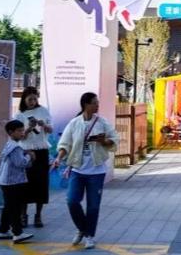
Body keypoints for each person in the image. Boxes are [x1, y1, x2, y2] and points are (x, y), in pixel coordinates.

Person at [52, 93, 118, 249]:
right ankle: (83, 228)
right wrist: (58, 158)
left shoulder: (102, 122)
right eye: (94, 103)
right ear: (85, 105)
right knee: (72, 201)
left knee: (93, 206)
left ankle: (89, 236)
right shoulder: (74, 123)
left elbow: (114, 139)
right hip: (78, 170)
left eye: (97, 102)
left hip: (97, 171)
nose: (97, 105)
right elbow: (65, 143)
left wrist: (103, 140)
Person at [15, 87, 53, 228]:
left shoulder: (43, 111)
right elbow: (19, 137)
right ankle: (23, 215)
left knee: (41, 184)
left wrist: (44, 125)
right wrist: (29, 128)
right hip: (26, 151)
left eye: (35, 99)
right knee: (24, 184)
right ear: (24, 99)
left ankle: (38, 215)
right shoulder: (19, 115)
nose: (32, 101)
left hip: (41, 151)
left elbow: (51, 129)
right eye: (30, 99)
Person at [0, 119, 35, 244]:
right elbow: (20, 163)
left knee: (8, 207)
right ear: (10, 132)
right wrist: (29, 156)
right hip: (13, 182)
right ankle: (17, 233)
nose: (22, 133)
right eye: (19, 131)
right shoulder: (16, 147)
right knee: (15, 208)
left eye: (23, 130)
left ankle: (3, 230)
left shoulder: (10, 144)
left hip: (7, 181)